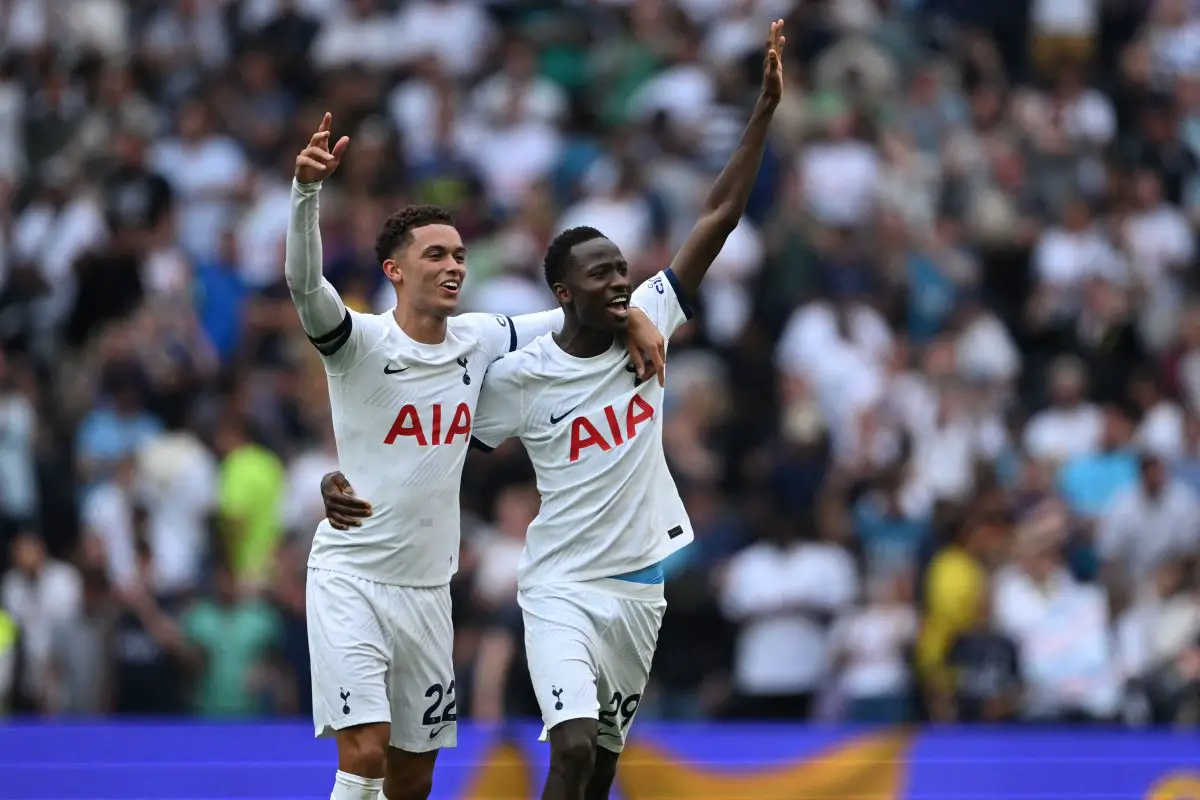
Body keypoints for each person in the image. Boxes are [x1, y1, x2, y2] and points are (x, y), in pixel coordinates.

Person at [320, 21, 785, 800]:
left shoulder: (652, 318)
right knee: (568, 752)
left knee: (600, 770)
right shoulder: (519, 377)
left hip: (640, 587)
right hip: (560, 586)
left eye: (622, 271)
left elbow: (718, 217)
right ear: (562, 292)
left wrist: (764, 110)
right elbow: (424, 435)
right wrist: (344, 481)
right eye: (599, 275)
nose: (618, 283)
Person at [284, 112, 667, 800]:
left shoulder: (483, 337)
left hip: (430, 588)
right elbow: (306, 288)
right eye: (436, 255)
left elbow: (583, 307)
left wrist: (634, 312)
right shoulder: (358, 344)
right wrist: (306, 195)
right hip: (352, 575)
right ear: (394, 270)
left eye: (460, 254)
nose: (454, 265)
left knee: (413, 776)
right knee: (364, 752)